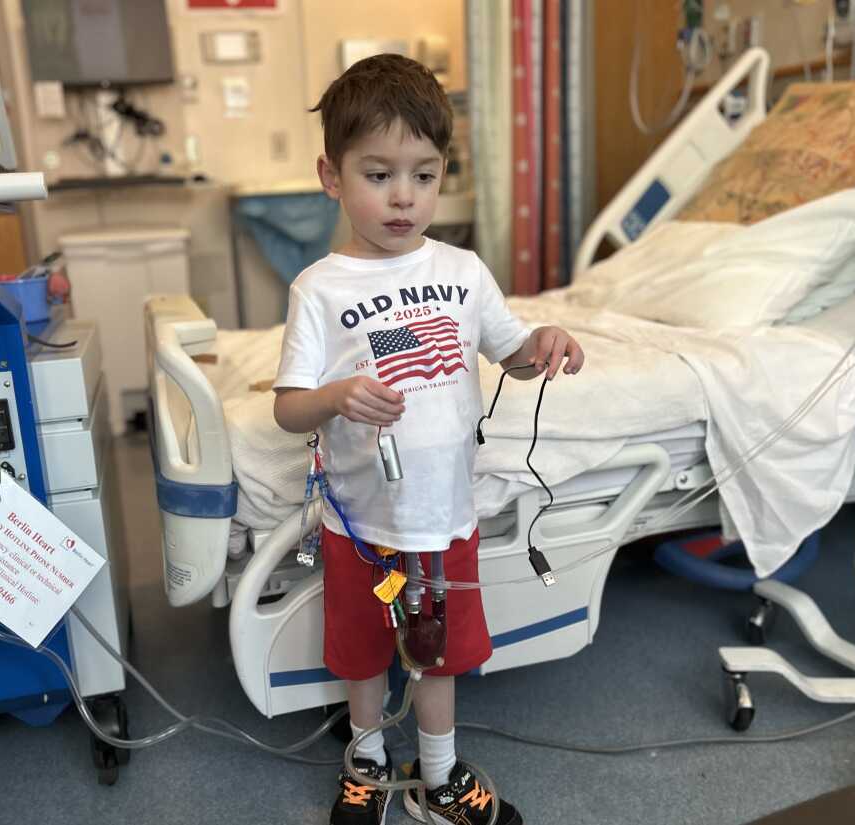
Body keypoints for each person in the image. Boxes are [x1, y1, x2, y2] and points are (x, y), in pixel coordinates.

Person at [273, 53, 585, 825]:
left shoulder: (464, 269)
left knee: (441, 650)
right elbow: (287, 408)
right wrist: (336, 396)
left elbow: (508, 350)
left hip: (446, 517)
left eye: (424, 174)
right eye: (378, 175)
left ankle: (439, 775)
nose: (403, 197)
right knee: (360, 654)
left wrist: (541, 340)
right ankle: (367, 762)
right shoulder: (319, 288)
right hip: (359, 522)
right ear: (331, 176)